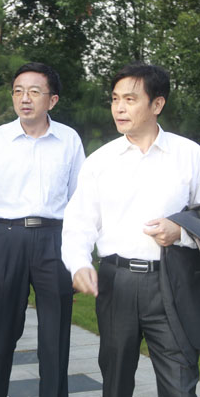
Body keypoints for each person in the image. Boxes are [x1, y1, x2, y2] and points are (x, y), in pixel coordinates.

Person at [61, 63, 200, 397]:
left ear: (157, 104)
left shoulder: (190, 155)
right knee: (116, 383)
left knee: (180, 384)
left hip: (173, 281)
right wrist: (79, 264)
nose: (119, 108)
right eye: (115, 99)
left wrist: (180, 231)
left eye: (130, 99)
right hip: (116, 282)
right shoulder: (100, 161)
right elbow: (79, 222)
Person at [0, 62, 85, 397]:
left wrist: (80, 260)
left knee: (55, 338)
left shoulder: (69, 140)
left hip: (54, 241)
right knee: (1, 335)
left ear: (52, 100)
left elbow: (80, 204)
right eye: (18, 91)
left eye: (34, 91)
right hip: (8, 240)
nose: (25, 98)